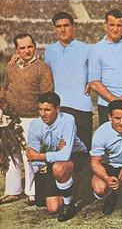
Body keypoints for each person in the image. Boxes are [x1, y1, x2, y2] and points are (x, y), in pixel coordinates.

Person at [0, 33, 54, 206]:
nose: (26, 51)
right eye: (22, 48)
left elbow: (47, 95)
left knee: (29, 155)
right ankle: (12, 190)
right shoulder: (11, 66)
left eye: (29, 46)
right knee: (10, 153)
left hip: (31, 118)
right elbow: (6, 87)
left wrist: (42, 118)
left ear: (35, 46)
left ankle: (32, 191)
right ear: (16, 50)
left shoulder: (42, 68)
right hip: (10, 117)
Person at [26, 92, 87, 222]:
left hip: (76, 155)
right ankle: (67, 187)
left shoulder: (67, 120)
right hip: (51, 161)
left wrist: (39, 156)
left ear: (58, 109)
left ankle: (69, 204)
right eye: (40, 109)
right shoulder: (35, 125)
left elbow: (65, 155)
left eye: (47, 110)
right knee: (53, 208)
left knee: (59, 168)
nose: (43, 114)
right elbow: (33, 158)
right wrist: (42, 166)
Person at [44, 11, 93, 151]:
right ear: (54, 29)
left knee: (83, 150)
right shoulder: (50, 50)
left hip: (82, 106)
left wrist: (91, 82)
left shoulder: (86, 49)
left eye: (66, 25)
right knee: (60, 149)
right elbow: (45, 75)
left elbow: (97, 73)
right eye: (59, 26)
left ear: (73, 27)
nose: (63, 29)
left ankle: (82, 173)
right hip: (59, 107)